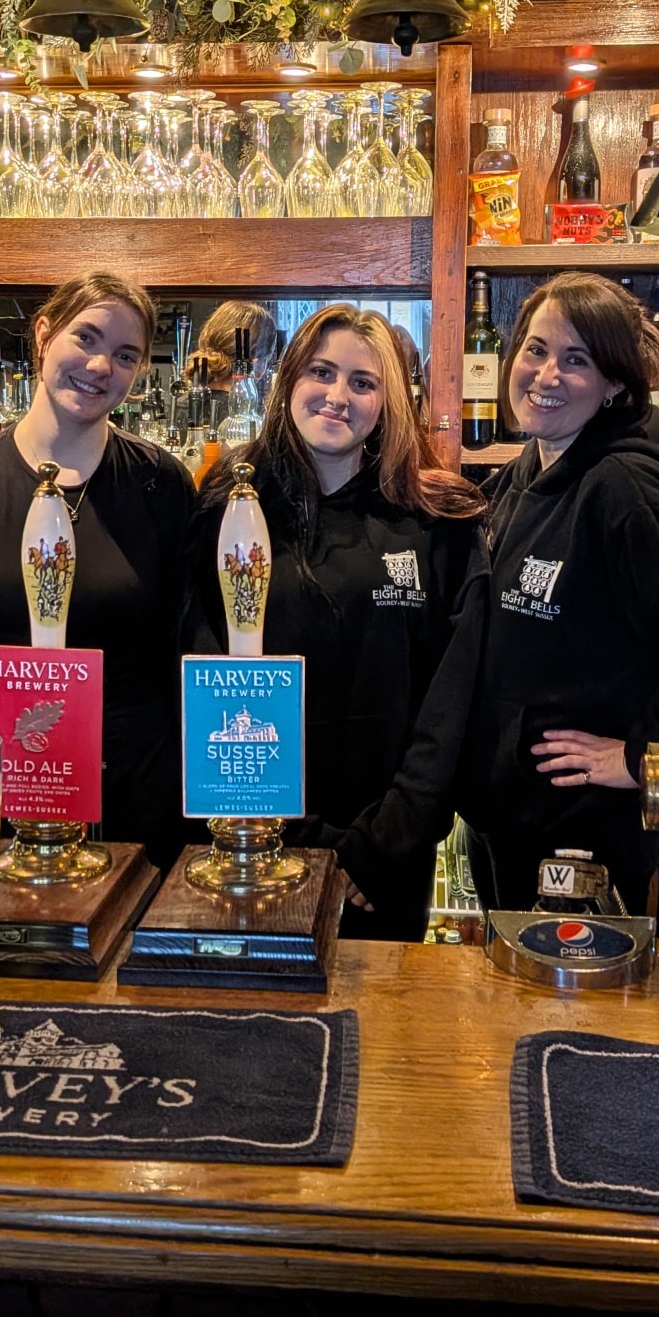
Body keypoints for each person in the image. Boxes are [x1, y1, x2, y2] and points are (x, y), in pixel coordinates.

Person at [458, 272, 659, 915]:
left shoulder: (622, 489)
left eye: (576, 360)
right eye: (536, 350)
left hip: (578, 837)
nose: (546, 375)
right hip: (513, 821)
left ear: (615, 385)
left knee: (570, 1012)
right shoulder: (527, 473)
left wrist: (638, 759)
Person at [186, 305, 488, 940]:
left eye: (363, 382)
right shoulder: (230, 510)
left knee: (376, 1034)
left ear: (388, 403)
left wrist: (382, 846)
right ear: (290, 380)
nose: (337, 396)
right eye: (321, 372)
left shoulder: (436, 522)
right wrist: (291, 834)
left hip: (383, 870)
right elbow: (205, 677)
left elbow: (449, 707)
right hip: (256, 842)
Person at [0, 271, 196, 869]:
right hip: (5, 800)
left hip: (138, 805)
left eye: (125, 355)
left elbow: (186, 636)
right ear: (43, 335)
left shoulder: (162, 487)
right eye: (85, 338)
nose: (100, 365)